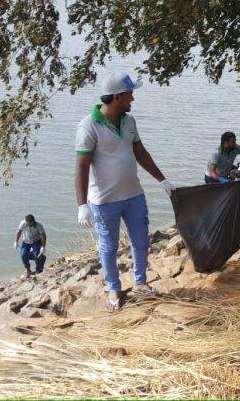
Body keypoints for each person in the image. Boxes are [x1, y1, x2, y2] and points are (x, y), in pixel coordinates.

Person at [75, 71, 176, 311]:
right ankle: (113, 288)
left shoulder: (129, 121)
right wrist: (82, 205)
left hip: (134, 195)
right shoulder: (89, 126)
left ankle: (141, 283)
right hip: (104, 200)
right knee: (108, 246)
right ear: (118, 97)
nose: (133, 99)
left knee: (141, 241)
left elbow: (140, 153)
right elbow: (81, 166)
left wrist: (163, 180)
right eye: (130, 94)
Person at [13, 214, 47, 279]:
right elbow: (19, 232)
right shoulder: (23, 223)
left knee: (37, 255)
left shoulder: (39, 225)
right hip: (26, 242)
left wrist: (43, 247)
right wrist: (16, 241)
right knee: (23, 255)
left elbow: (43, 236)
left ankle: (38, 270)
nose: (28, 224)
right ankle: (28, 269)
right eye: (27, 223)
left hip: (36, 241)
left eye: (30, 223)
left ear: (33, 221)